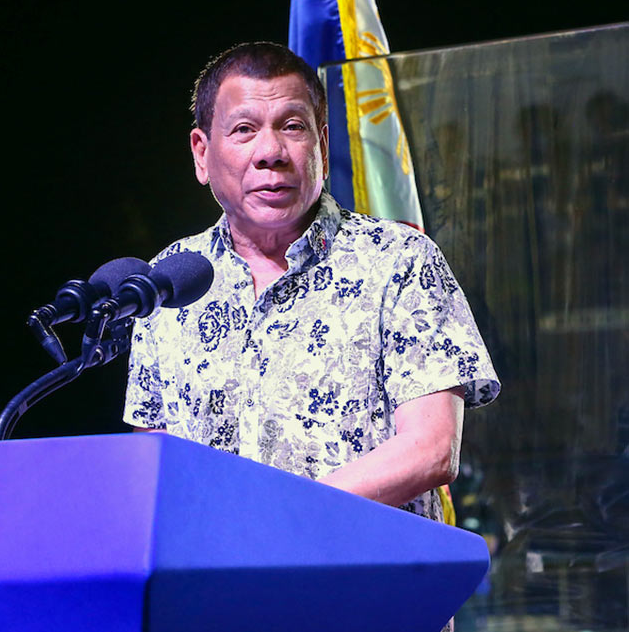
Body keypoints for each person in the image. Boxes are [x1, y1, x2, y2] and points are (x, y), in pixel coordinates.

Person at [123, 42, 500, 523]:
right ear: (202, 153)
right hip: (213, 568)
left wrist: (282, 519)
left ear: (322, 144)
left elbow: (431, 449)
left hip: (363, 566)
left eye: (292, 127)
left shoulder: (398, 260)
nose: (270, 153)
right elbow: (155, 466)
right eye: (244, 130)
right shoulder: (168, 279)